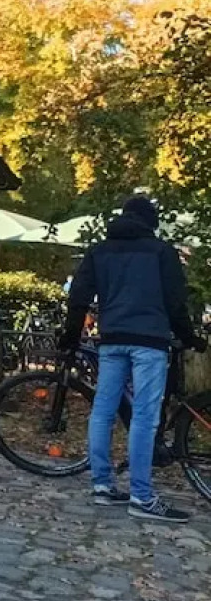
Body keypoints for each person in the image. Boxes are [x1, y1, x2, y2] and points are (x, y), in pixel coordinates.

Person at [60, 195, 206, 523]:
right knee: (144, 416)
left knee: (102, 412)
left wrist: (70, 338)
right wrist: (189, 336)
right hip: (150, 341)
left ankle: (103, 485)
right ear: (150, 222)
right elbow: (175, 301)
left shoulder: (99, 251)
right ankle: (142, 495)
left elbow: (79, 297)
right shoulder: (161, 252)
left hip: (111, 340)